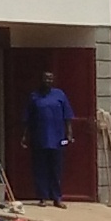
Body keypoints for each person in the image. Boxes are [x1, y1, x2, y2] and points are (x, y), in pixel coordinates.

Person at [25, 73, 73, 206]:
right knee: (40, 168)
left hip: (58, 138)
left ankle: (57, 197)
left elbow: (67, 116)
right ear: (41, 80)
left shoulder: (60, 95)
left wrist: (69, 133)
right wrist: (25, 136)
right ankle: (42, 197)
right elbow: (28, 119)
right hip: (39, 137)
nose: (48, 80)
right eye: (45, 78)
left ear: (53, 80)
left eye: (50, 79)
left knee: (56, 169)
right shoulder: (34, 96)